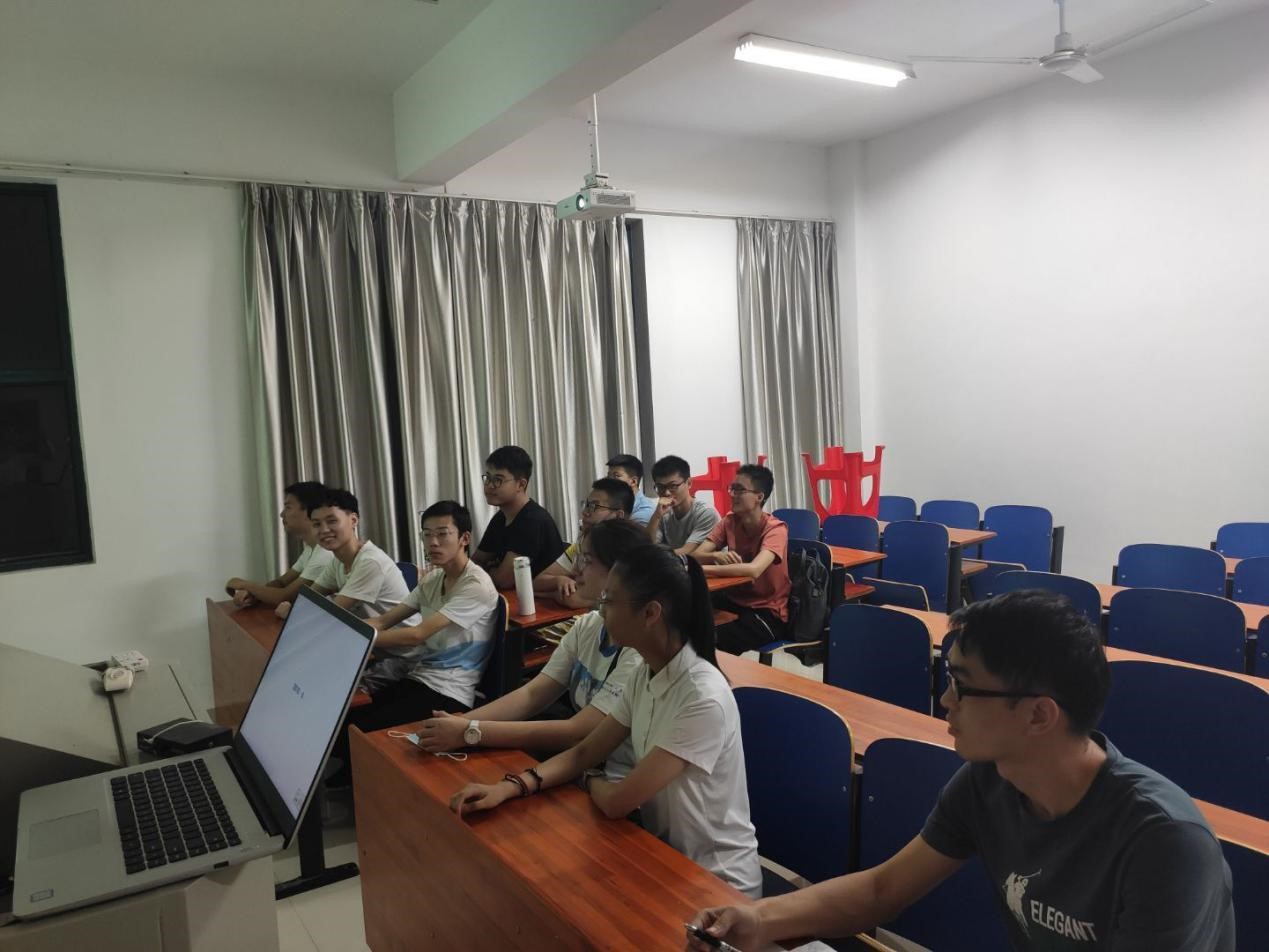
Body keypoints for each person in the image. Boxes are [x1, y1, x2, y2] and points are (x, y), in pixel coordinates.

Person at [688, 591, 1236, 951]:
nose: (945, 701)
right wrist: (761, 918)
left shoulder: (1163, 840)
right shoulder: (990, 779)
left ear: (1039, 715)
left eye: (963, 685)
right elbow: (881, 890)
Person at [448, 543, 762, 899]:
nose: (600, 609)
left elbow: (616, 801)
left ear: (650, 613)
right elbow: (584, 752)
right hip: (663, 858)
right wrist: (508, 788)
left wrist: (587, 778)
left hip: (716, 884)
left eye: (610, 601)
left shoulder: (702, 697)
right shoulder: (647, 672)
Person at [416, 518, 649, 779]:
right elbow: (533, 694)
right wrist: (461, 723)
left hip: (615, 778)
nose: (575, 569)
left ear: (618, 570)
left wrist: (471, 731)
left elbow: (578, 731)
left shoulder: (638, 650)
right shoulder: (588, 626)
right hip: (582, 765)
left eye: (586, 560)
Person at [327, 501, 499, 786]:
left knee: (358, 732)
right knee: (344, 722)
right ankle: (358, 777)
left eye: (442, 534)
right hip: (419, 676)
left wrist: (354, 637)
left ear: (464, 538)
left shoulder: (476, 585)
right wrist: (343, 630)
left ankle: (363, 782)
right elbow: (384, 621)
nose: (433, 542)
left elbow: (416, 634)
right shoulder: (433, 579)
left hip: (450, 691)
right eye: (427, 534)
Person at [691, 464, 790, 654]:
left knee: (708, 640)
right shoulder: (729, 521)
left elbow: (754, 569)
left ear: (759, 497)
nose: (732, 495)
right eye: (732, 489)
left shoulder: (776, 529)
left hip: (766, 611)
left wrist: (704, 569)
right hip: (734, 600)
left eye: (739, 490)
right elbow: (696, 555)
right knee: (683, 616)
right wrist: (715, 555)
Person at [275, 488, 415, 622]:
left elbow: (331, 614)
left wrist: (292, 614)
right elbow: (307, 600)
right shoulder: (338, 561)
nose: (324, 530)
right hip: (366, 636)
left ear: (353, 520)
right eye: (316, 524)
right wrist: (295, 611)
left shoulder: (370, 561)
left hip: (398, 639)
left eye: (332, 521)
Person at [224, 480, 332, 607]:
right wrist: (252, 594)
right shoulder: (311, 549)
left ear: (309, 512)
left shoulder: (325, 553)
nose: (282, 514)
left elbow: (284, 597)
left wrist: (243, 584)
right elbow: (281, 582)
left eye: (288, 507)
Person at [472, 445, 566, 589]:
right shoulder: (501, 517)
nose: (489, 485)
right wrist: (489, 570)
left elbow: (503, 581)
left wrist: (489, 568)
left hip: (541, 600)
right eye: (488, 478)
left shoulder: (532, 521)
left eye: (498, 480)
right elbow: (475, 561)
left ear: (521, 484)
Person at [534, 477, 633, 608]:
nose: (585, 512)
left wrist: (558, 594)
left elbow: (575, 599)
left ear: (618, 515)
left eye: (594, 506)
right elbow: (537, 583)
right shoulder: (581, 543)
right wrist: (558, 580)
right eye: (586, 505)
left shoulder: (626, 550)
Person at [646, 455, 719, 557]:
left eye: (673, 486)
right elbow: (647, 546)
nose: (666, 493)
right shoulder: (663, 513)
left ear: (689, 483)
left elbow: (688, 551)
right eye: (661, 487)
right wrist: (656, 516)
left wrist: (654, 555)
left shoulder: (705, 513)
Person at [606, 453, 656, 525]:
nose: (609, 481)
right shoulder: (613, 502)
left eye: (616, 476)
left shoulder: (644, 510)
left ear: (633, 481)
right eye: (608, 476)